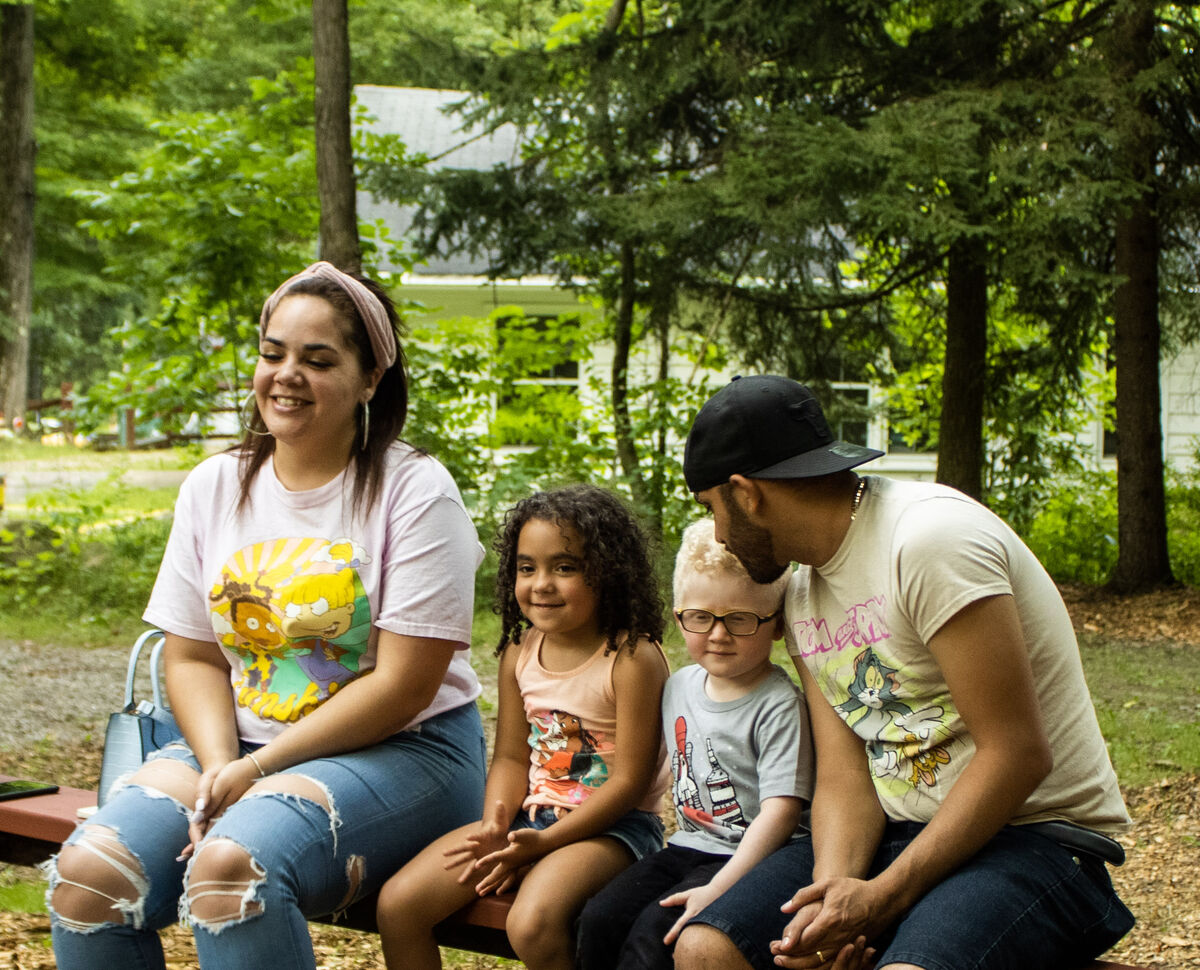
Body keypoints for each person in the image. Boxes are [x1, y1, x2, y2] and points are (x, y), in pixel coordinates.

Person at [47, 262, 488, 970]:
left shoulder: (416, 492)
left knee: (232, 871)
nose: (286, 375)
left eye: (318, 360)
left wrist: (255, 773)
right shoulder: (215, 486)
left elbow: (405, 684)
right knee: (91, 877)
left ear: (371, 379)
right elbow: (190, 655)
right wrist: (222, 762)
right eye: (272, 353)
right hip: (240, 748)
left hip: (408, 751)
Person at [672, 375, 1134, 970]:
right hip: (897, 833)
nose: (718, 534)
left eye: (712, 509)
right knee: (705, 948)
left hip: (1036, 839)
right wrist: (830, 904)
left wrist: (884, 897)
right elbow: (843, 774)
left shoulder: (928, 540)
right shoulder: (805, 589)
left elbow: (1018, 752)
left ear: (747, 492)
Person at [376, 484, 670, 970]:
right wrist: (496, 822)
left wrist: (546, 844)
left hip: (614, 831)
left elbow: (629, 782)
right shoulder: (521, 650)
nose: (541, 584)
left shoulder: (632, 658)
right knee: (399, 906)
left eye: (565, 567)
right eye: (526, 567)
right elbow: (512, 756)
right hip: (530, 818)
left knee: (530, 924)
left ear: (608, 571)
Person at [576, 516, 817, 970]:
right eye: (701, 617)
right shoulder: (679, 686)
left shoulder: (780, 704)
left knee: (653, 938)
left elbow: (782, 812)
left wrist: (721, 885)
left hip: (755, 855)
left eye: (741, 619)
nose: (719, 634)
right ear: (679, 617)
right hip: (688, 844)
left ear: (778, 624)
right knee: (599, 917)